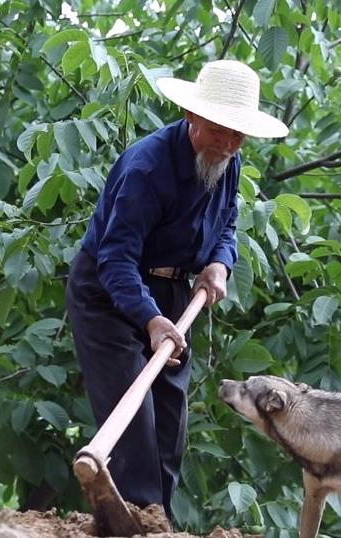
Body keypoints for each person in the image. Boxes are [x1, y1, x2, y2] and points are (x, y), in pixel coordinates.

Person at [65, 59, 289, 522]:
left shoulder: (227, 160)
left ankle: (155, 519)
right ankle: (137, 519)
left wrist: (219, 265)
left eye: (238, 135)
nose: (228, 143)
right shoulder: (147, 168)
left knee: (170, 420)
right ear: (193, 116)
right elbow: (116, 259)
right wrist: (149, 321)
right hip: (110, 293)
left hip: (174, 292)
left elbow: (226, 224)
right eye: (219, 130)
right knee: (136, 425)